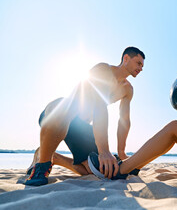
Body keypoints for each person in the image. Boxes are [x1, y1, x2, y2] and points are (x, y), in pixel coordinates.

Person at [25, 46, 145, 186]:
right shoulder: (103, 70)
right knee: (63, 108)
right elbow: (99, 104)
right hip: (58, 115)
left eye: (142, 65)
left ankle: (55, 157)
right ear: (126, 59)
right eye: (138, 63)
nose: (141, 68)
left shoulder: (127, 90)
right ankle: (42, 165)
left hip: (80, 128)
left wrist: (121, 151)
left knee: (97, 170)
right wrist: (104, 150)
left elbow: (124, 120)